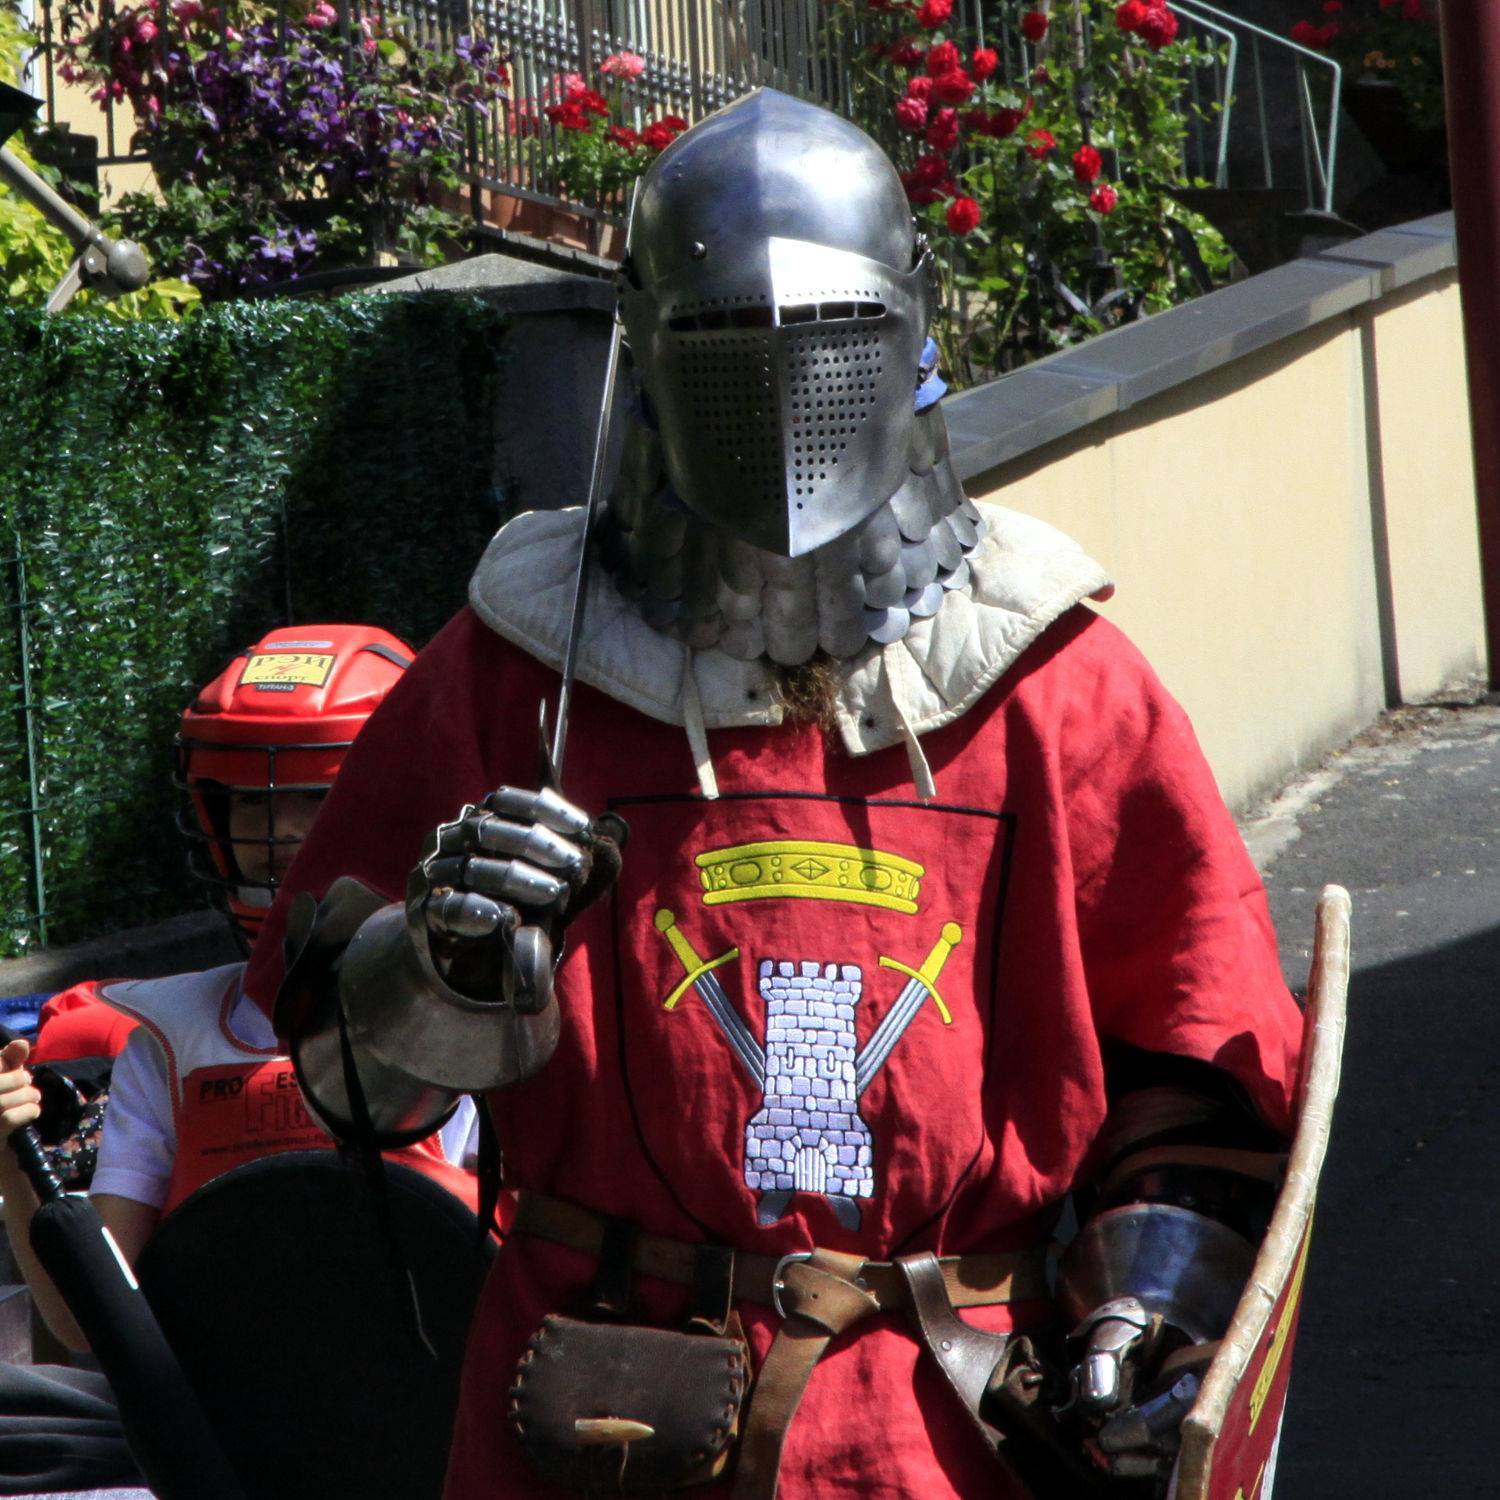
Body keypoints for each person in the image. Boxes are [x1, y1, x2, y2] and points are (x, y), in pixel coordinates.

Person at [248, 90, 1305, 1500]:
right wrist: (444, 961)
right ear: (647, 345)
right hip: (597, 1411)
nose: (781, 391)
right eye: (726, 341)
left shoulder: (1050, 685)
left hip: (939, 1423)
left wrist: (1146, 1313)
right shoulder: (524, 671)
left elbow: (1202, 1059)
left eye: (826, 336)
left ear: (909, 329)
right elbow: (351, 1077)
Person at [0, 623, 481, 1353]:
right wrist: (10, 1156)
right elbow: (93, 1328)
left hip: (428, 1418)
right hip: (234, 1436)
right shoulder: (170, 1033)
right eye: (251, 805)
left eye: (315, 802)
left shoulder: (487, 1023)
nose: (278, 837)